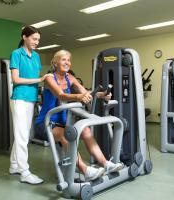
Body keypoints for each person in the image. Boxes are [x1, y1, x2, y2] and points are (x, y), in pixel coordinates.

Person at [34, 49, 124, 182]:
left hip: (64, 124)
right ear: (55, 62)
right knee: (66, 135)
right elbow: (61, 95)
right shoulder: (49, 78)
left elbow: (85, 92)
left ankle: (106, 164)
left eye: (69, 60)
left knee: (86, 130)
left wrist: (102, 95)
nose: (67, 62)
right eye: (64, 59)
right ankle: (85, 170)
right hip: (45, 124)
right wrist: (78, 96)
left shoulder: (70, 78)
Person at [9, 26, 52, 184]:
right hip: (19, 98)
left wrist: (46, 79)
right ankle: (24, 172)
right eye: (34, 39)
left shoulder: (36, 56)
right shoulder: (16, 54)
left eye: (38, 40)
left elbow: (36, 76)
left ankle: (14, 165)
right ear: (24, 37)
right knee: (21, 136)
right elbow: (16, 79)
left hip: (31, 98)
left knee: (23, 135)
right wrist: (40, 80)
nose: (37, 42)